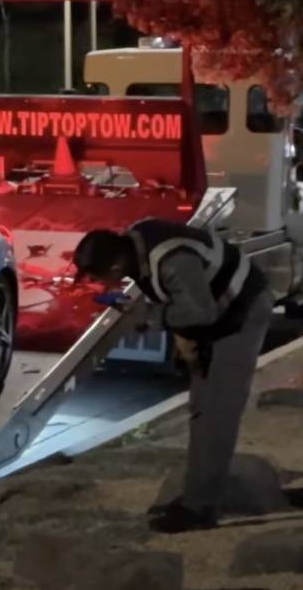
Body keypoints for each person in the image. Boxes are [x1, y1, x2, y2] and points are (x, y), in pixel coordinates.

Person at [72, 218, 273, 534]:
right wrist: (183, 338)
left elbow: (200, 312)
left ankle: (201, 508)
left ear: (116, 265)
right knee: (202, 407)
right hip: (216, 312)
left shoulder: (171, 259)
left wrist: (148, 317)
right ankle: (197, 496)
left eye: (98, 277)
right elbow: (180, 301)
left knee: (217, 410)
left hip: (241, 311)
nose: (99, 285)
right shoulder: (137, 246)